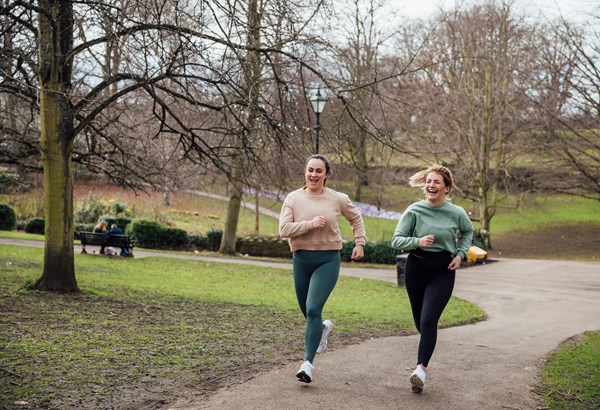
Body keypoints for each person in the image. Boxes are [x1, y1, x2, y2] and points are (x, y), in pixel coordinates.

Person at [279, 154, 366, 384]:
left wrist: (359, 243)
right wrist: (310, 224)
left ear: (326, 174)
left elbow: (356, 217)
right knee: (308, 313)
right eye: (310, 170)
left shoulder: (337, 198)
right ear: (305, 172)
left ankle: (307, 364)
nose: (313, 175)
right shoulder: (293, 198)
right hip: (301, 259)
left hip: (328, 259)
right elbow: (284, 228)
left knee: (313, 308)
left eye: (319, 171)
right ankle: (323, 330)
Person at [390, 165, 473, 394]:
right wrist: (417, 241)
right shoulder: (414, 210)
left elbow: (468, 232)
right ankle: (426, 348)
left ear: (446, 188)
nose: (431, 185)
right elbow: (396, 240)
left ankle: (420, 369)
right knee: (421, 323)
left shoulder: (457, 212)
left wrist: (460, 254)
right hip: (416, 268)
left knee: (428, 321)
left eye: (437, 182)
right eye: (429, 181)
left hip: (443, 269)